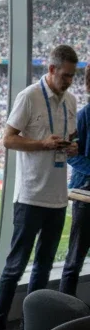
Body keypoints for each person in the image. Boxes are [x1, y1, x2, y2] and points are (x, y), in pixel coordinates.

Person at [0, 45, 79, 330]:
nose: (69, 81)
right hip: (29, 197)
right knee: (14, 268)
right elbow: (8, 138)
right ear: (51, 70)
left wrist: (72, 148)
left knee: (42, 270)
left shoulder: (71, 101)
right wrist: (42, 143)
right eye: (65, 75)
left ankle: (29, 326)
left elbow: (71, 138)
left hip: (57, 199)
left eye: (73, 76)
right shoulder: (28, 97)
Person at [63, 65, 90, 296]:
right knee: (74, 262)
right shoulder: (82, 117)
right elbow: (70, 156)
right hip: (85, 196)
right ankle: (65, 314)